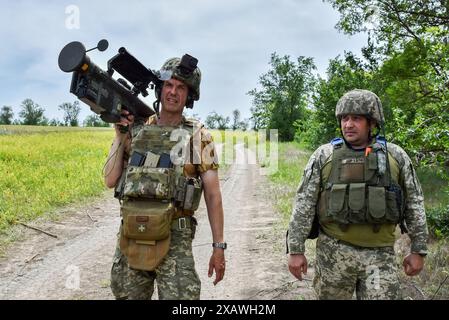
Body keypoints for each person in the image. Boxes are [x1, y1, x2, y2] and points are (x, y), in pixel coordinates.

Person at [104, 55, 226, 300]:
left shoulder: (199, 136)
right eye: (168, 85)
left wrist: (219, 246)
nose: (173, 92)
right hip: (133, 233)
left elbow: (213, 196)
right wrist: (119, 136)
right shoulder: (135, 130)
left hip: (175, 238)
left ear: (189, 96)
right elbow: (110, 179)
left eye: (181, 88)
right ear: (160, 89)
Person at [287, 89, 428, 300]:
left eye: (356, 118)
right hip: (333, 253)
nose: (348, 124)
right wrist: (295, 250)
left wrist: (418, 250)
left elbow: (414, 203)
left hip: (379, 258)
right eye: (344, 118)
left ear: (372, 123)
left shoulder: (395, 156)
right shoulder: (324, 155)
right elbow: (304, 204)